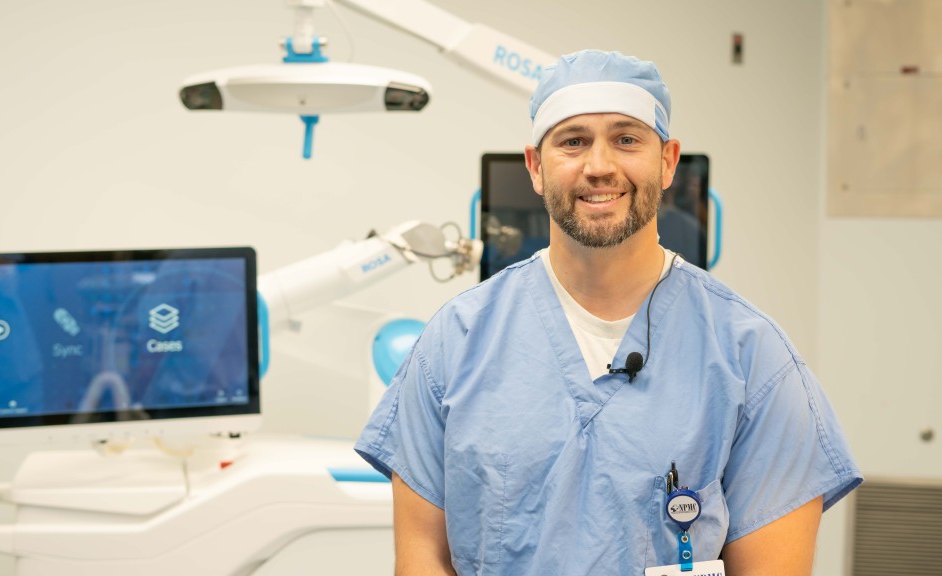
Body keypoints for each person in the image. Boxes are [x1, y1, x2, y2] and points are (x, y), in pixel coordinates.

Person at [354, 50, 861, 575]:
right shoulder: (455, 343)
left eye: (626, 139)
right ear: (535, 167)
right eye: (573, 141)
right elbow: (422, 558)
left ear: (667, 162)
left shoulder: (751, 359)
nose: (599, 166)